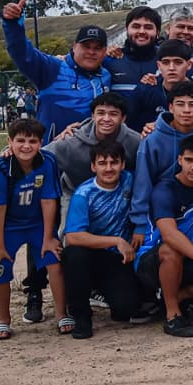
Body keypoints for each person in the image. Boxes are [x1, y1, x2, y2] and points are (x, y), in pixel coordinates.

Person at [133, 135, 193, 338]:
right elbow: (169, 234)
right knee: (171, 248)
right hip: (152, 259)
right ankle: (173, 316)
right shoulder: (164, 190)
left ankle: (168, 298)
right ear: (180, 160)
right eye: (189, 160)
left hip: (187, 258)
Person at [0, 119, 67, 339]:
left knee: (54, 259)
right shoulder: (2, 167)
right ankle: (3, 320)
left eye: (32, 141)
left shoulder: (48, 161)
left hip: (37, 222)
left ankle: (62, 314)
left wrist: (49, 236)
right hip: (7, 224)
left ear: (41, 143)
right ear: (9, 142)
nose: (26, 146)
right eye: (20, 141)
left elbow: (49, 201)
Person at [129, 80, 193, 241]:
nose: (186, 110)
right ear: (171, 107)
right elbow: (143, 182)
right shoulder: (152, 139)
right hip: (164, 203)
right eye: (180, 104)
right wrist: (140, 224)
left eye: (192, 105)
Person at [61, 140, 141, 339]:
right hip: (91, 255)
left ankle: (102, 291)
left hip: (117, 259)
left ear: (122, 164)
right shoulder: (84, 194)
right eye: (102, 163)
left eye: (114, 163)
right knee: (74, 255)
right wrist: (115, 241)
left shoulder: (130, 181)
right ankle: (81, 315)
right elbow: (73, 236)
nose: (108, 168)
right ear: (93, 166)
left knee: (126, 310)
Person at [1, 0, 111, 139]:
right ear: (74, 46)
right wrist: (13, 24)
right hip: (54, 153)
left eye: (97, 48)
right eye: (86, 46)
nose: (91, 52)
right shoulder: (52, 68)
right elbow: (22, 54)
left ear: (104, 51)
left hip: (96, 155)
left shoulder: (107, 75)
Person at [44, 92, 141, 205]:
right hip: (75, 194)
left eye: (113, 114)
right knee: (71, 222)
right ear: (93, 116)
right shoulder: (71, 141)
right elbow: (40, 157)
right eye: (101, 113)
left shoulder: (135, 141)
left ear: (123, 118)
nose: (106, 119)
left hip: (118, 195)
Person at [127, 39, 193, 132]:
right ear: (159, 65)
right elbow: (129, 126)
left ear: (189, 64)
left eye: (178, 62)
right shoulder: (144, 91)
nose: (171, 68)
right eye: (166, 62)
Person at [104, 5, 162, 96]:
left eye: (148, 27)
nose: (142, 31)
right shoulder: (110, 59)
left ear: (158, 32)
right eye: (136, 26)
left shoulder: (167, 61)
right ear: (127, 29)